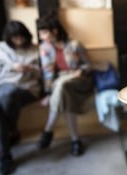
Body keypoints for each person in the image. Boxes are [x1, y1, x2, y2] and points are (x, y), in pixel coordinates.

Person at [0, 21, 41, 175]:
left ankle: (6, 144)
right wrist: (11, 68)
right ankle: (6, 154)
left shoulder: (34, 49)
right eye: (15, 37)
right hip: (3, 85)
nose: (18, 40)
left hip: (27, 88)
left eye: (21, 37)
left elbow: (43, 72)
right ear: (9, 37)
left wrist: (29, 69)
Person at [36, 12, 93, 156]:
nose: (41, 37)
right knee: (64, 92)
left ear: (54, 31)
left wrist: (80, 71)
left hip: (79, 81)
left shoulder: (74, 45)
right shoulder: (45, 49)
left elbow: (88, 65)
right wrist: (48, 93)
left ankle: (48, 130)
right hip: (59, 83)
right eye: (40, 33)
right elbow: (48, 73)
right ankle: (75, 140)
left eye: (44, 32)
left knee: (63, 87)